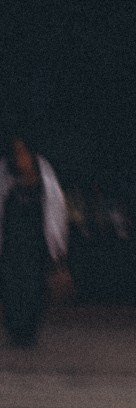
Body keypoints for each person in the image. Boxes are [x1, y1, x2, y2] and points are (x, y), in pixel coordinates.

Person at [0, 138, 68, 348]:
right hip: (12, 246)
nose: (19, 157)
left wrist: (57, 251)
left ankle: (28, 332)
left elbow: (56, 213)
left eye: (23, 152)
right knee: (11, 290)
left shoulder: (44, 180)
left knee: (33, 290)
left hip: (35, 247)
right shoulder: (6, 177)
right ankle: (16, 331)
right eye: (15, 152)